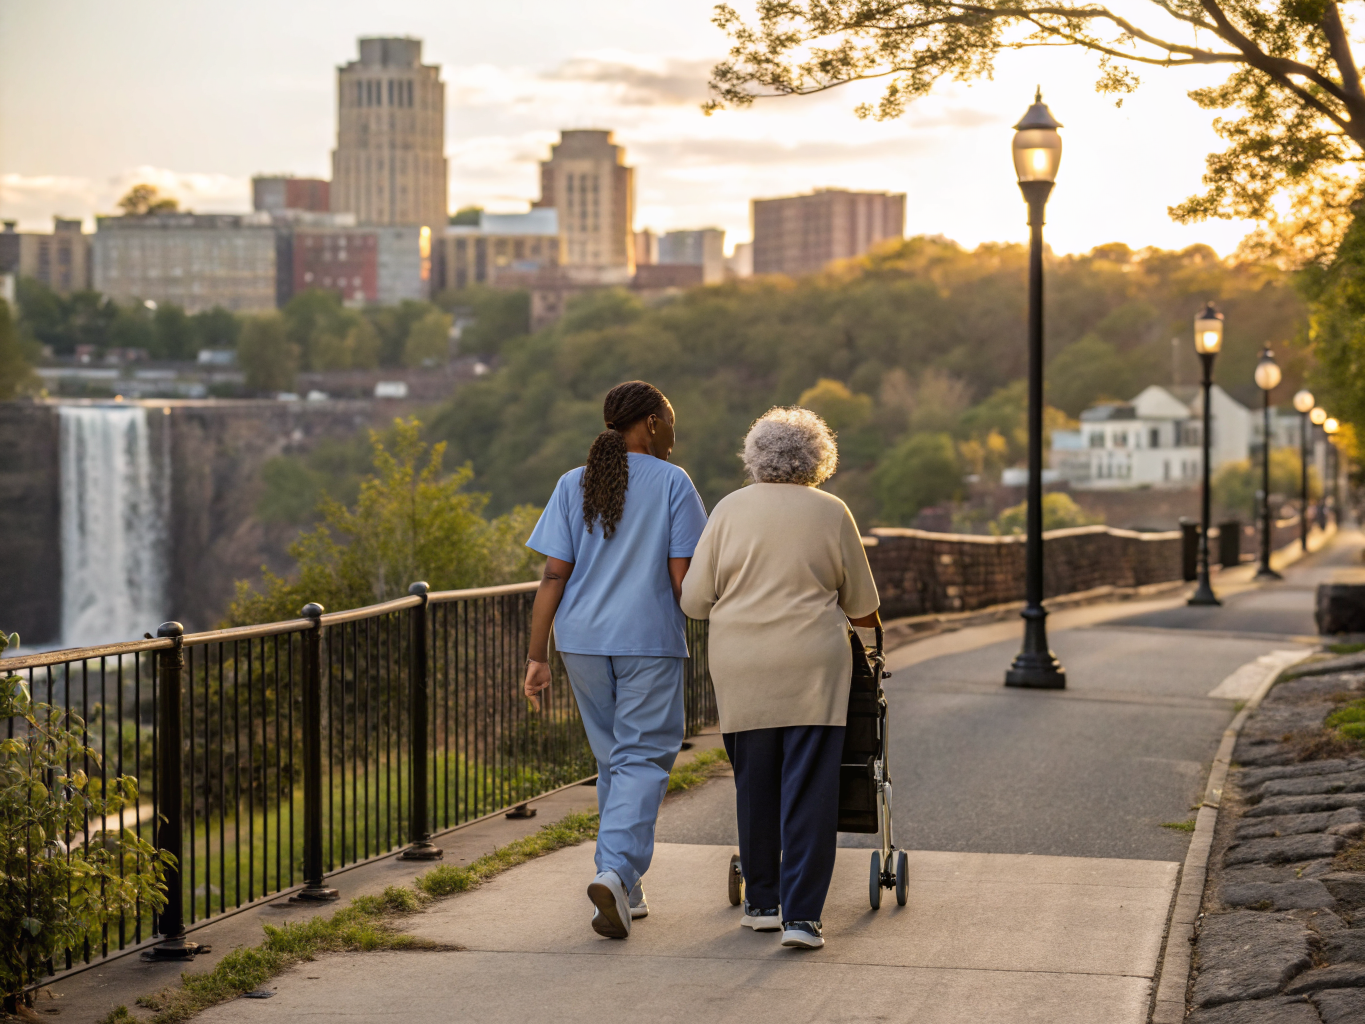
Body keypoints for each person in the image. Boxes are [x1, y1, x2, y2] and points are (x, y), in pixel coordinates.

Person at [680, 406, 880, 950]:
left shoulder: (728, 510)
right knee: (812, 790)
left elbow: (695, 601)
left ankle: (762, 902)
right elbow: (862, 605)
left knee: (755, 784)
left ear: (755, 455)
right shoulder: (833, 512)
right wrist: (876, 653)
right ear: (820, 457)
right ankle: (803, 918)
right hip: (814, 667)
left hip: (742, 664)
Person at [523, 380, 709, 939]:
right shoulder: (673, 482)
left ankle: (626, 888)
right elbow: (684, 581)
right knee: (644, 758)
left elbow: (554, 574)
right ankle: (615, 870)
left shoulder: (572, 483)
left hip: (578, 641)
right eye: (670, 420)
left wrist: (537, 657)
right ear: (651, 423)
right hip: (646, 639)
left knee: (614, 760)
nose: (674, 432)